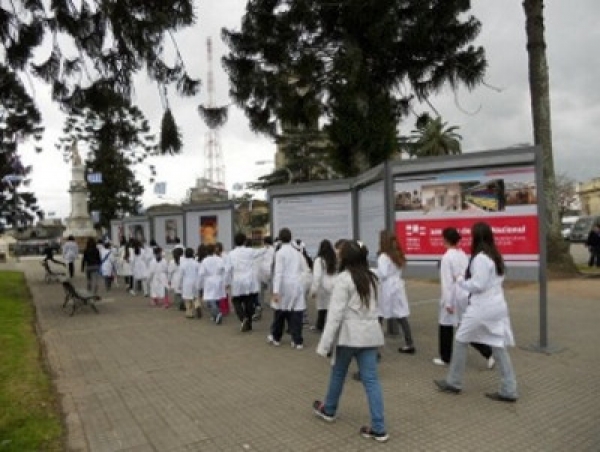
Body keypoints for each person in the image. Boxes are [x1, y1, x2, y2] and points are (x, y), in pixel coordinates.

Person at [313, 240, 388, 443]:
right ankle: (379, 428)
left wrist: (324, 345)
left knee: (338, 373)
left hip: (349, 336)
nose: (338, 256)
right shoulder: (372, 277)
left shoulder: (344, 279)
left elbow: (334, 315)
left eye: (341, 254)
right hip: (370, 335)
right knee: (371, 381)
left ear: (347, 258)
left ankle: (329, 409)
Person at [434, 222, 519, 403]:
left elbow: (478, 285)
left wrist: (460, 281)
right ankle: (509, 388)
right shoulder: (495, 256)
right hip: (497, 306)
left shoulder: (480, 258)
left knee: (460, 340)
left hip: (482, 307)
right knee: (498, 346)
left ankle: (454, 382)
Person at [433, 227, 470, 366]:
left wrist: (448, 303)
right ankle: (488, 352)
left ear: (446, 239)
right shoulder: (462, 254)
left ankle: (445, 357)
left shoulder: (447, 257)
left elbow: (447, 281)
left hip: (452, 296)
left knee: (445, 326)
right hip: (464, 294)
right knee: (464, 325)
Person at [377, 230, 415, 354]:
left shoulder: (383, 256)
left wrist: (373, 272)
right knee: (401, 315)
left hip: (387, 287)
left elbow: (382, 273)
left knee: (380, 314)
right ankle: (409, 343)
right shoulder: (398, 254)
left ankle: (374, 344)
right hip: (397, 286)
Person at [269, 228, 306, 348]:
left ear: (280, 238)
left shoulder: (280, 253)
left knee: (280, 312)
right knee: (297, 313)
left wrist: (275, 291)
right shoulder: (297, 252)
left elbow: (278, 273)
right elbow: (303, 269)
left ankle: (276, 338)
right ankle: (297, 340)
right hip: (297, 284)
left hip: (284, 285)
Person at [225, 232, 265, 332]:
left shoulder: (231, 254)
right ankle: (249, 323)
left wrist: (227, 282)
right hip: (249, 280)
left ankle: (243, 318)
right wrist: (268, 247)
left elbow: (228, 270)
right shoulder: (250, 251)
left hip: (237, 280)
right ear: (245, 241)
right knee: (249, 302)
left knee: (236, 301)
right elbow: (260, 252)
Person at [310, 239, 337, 332]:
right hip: (334, 284)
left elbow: (317, 276)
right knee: (332, 306)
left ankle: (320, 326)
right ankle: (332, 326)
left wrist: (314, 290)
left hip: (323, 286)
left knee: (322, 307)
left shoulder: (319, 260)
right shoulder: (334, 258)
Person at [198, 244, 227, 324]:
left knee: (211, 299)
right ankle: (214, 316)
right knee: (217, 297)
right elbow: (224, 269)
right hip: (218, 279)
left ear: (206, 251)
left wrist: (199, 284)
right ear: (214, 250)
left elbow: (201, 273)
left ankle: (217, 313)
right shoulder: (219, 259)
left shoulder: (205, 261)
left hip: (209, 280)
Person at [179, 247, 199, 318]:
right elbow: (199, 273)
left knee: (187, 299)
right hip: (195, 281)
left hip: (186, 282)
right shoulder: (196, 263)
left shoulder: (183, 264)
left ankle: (190, 313)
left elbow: (181, 275)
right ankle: (197, 305)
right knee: (195, 296)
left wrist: (179, 284)